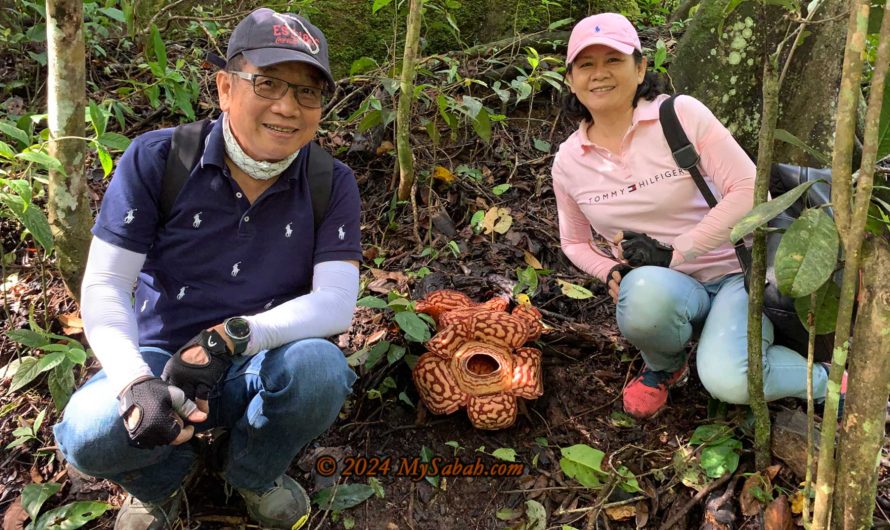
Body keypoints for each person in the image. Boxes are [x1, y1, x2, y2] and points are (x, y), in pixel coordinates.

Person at [53, 8, 362, 529]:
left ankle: (250, 474)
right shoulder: (158, 159)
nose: (287, 107)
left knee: (320, 371)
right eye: (267, 83)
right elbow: (107, 283)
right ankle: (165, 478)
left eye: (309, 92)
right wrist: (133, 382)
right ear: (224, 87)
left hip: (265, 362)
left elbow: (336, 303)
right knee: (90, 433)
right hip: (160, 359)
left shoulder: (330, 181)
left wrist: (232, 339)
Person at [551, 13, 839, 419]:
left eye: (613, 60)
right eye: (586, 64)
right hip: (667, 288)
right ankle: (666, 366)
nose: (600, 74)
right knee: (640, 292)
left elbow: (749, 189)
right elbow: (574, 241)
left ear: (640, 68)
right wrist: (610, 271)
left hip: (739, 270)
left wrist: (676, 252)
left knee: (729, 381)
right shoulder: (569, 162)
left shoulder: (679, 116)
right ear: (570, 79)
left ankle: (830, 381)